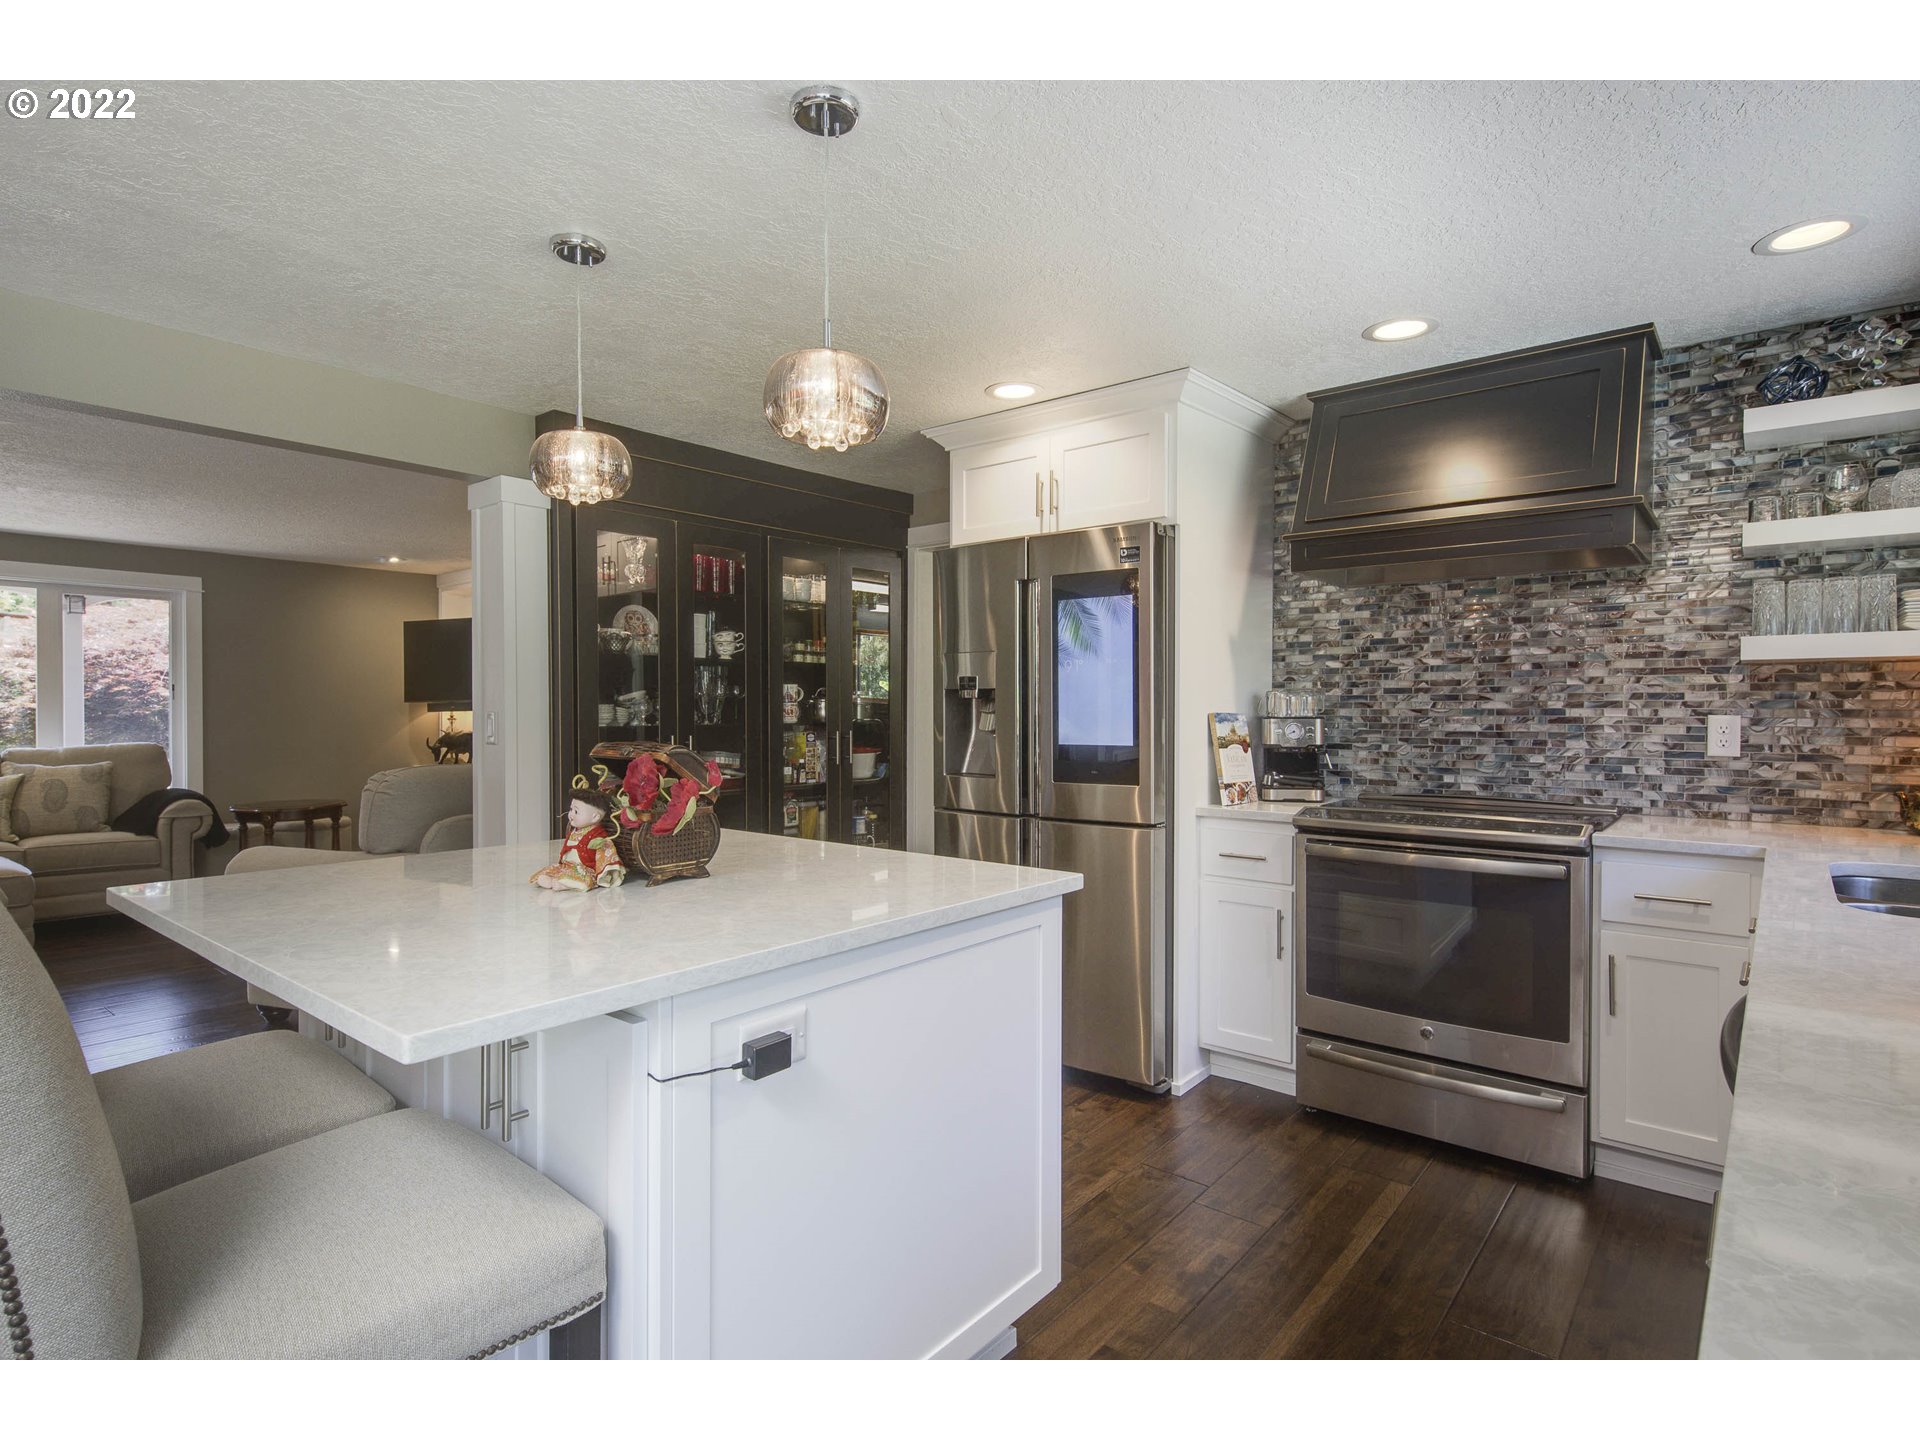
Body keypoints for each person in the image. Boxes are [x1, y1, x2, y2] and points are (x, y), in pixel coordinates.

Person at [530, 787, 626, 891]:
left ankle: (565, 884)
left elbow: (606, 855)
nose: (570, 814)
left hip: (584, 869)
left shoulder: (598, 837)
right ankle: (553, 879)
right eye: (571, 809)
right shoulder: (575, 831)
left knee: (581, 878)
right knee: (551, 871)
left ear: (595, 817)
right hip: (567, 866)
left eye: (576, 812)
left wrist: (606, 872)